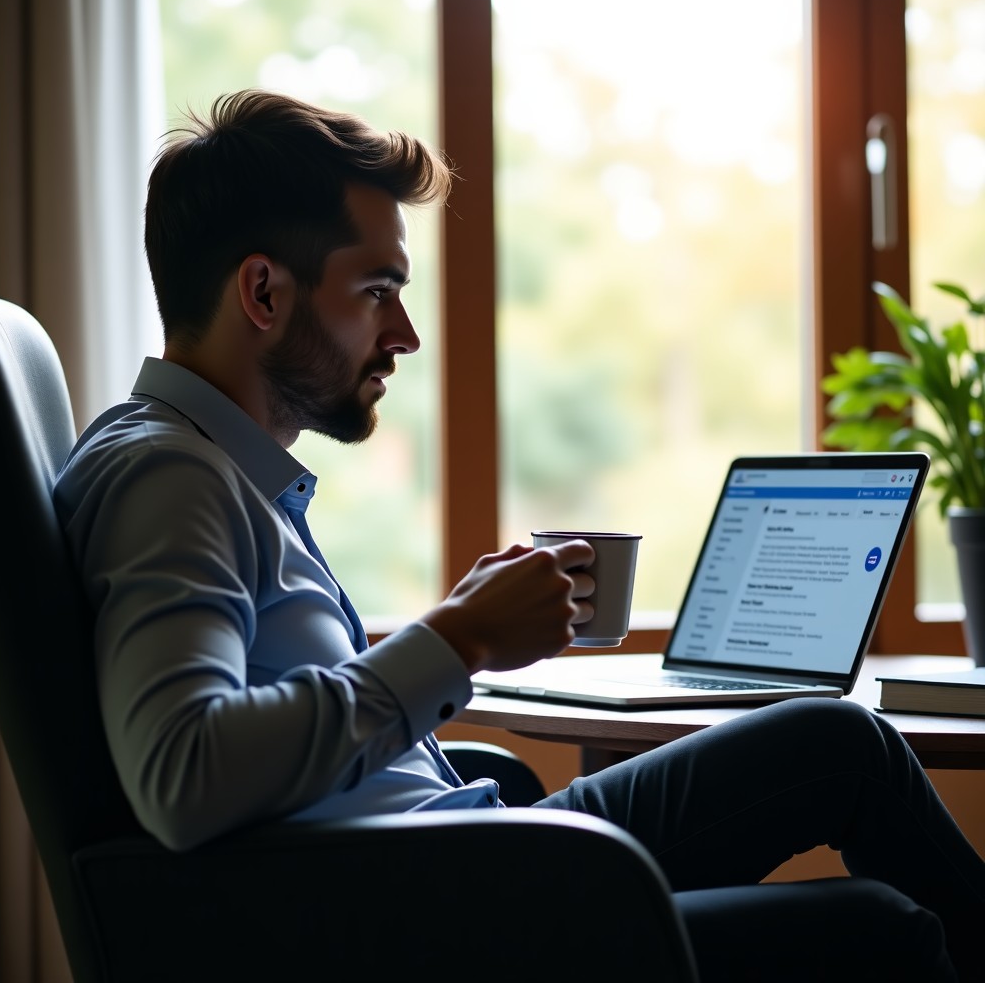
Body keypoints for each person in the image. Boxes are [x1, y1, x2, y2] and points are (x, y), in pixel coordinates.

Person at [54, 88, 984, 982]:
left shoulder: (220, 470)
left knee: (835, 740)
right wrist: (460, 638)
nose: (407, 333)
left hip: (449, 860)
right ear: (262, 292)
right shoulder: (170, 478)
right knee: (883, 929)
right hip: (421, 919)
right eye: (378, 290)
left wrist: (458, 622)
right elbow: (183, 777)